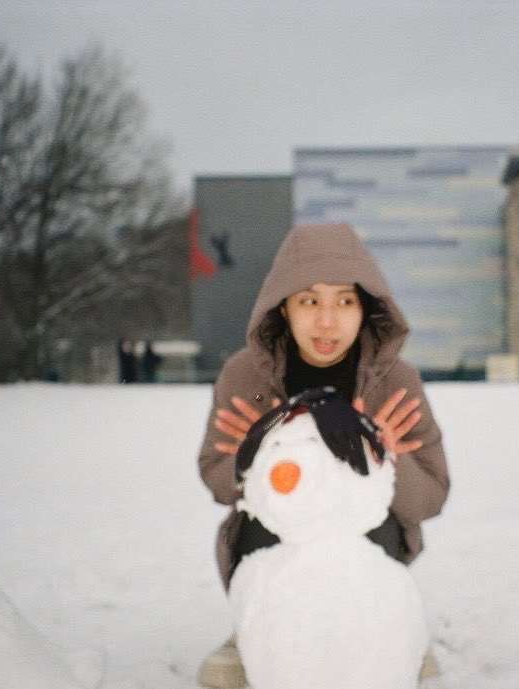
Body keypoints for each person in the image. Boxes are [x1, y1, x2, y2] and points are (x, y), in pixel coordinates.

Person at [196, 223, 450, 688]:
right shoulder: (245, 376)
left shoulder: (396, 382)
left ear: (366, 308)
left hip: (370, 536)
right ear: (284, 308)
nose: (327, 322)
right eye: (309, 301)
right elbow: (216, 479)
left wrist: (390, 459)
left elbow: (431, 498)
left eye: (345, 302)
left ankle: (394, 634)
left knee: (362, 532)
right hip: (274, 533)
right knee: (264, 528)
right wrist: (255, 455)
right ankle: (255, 631)